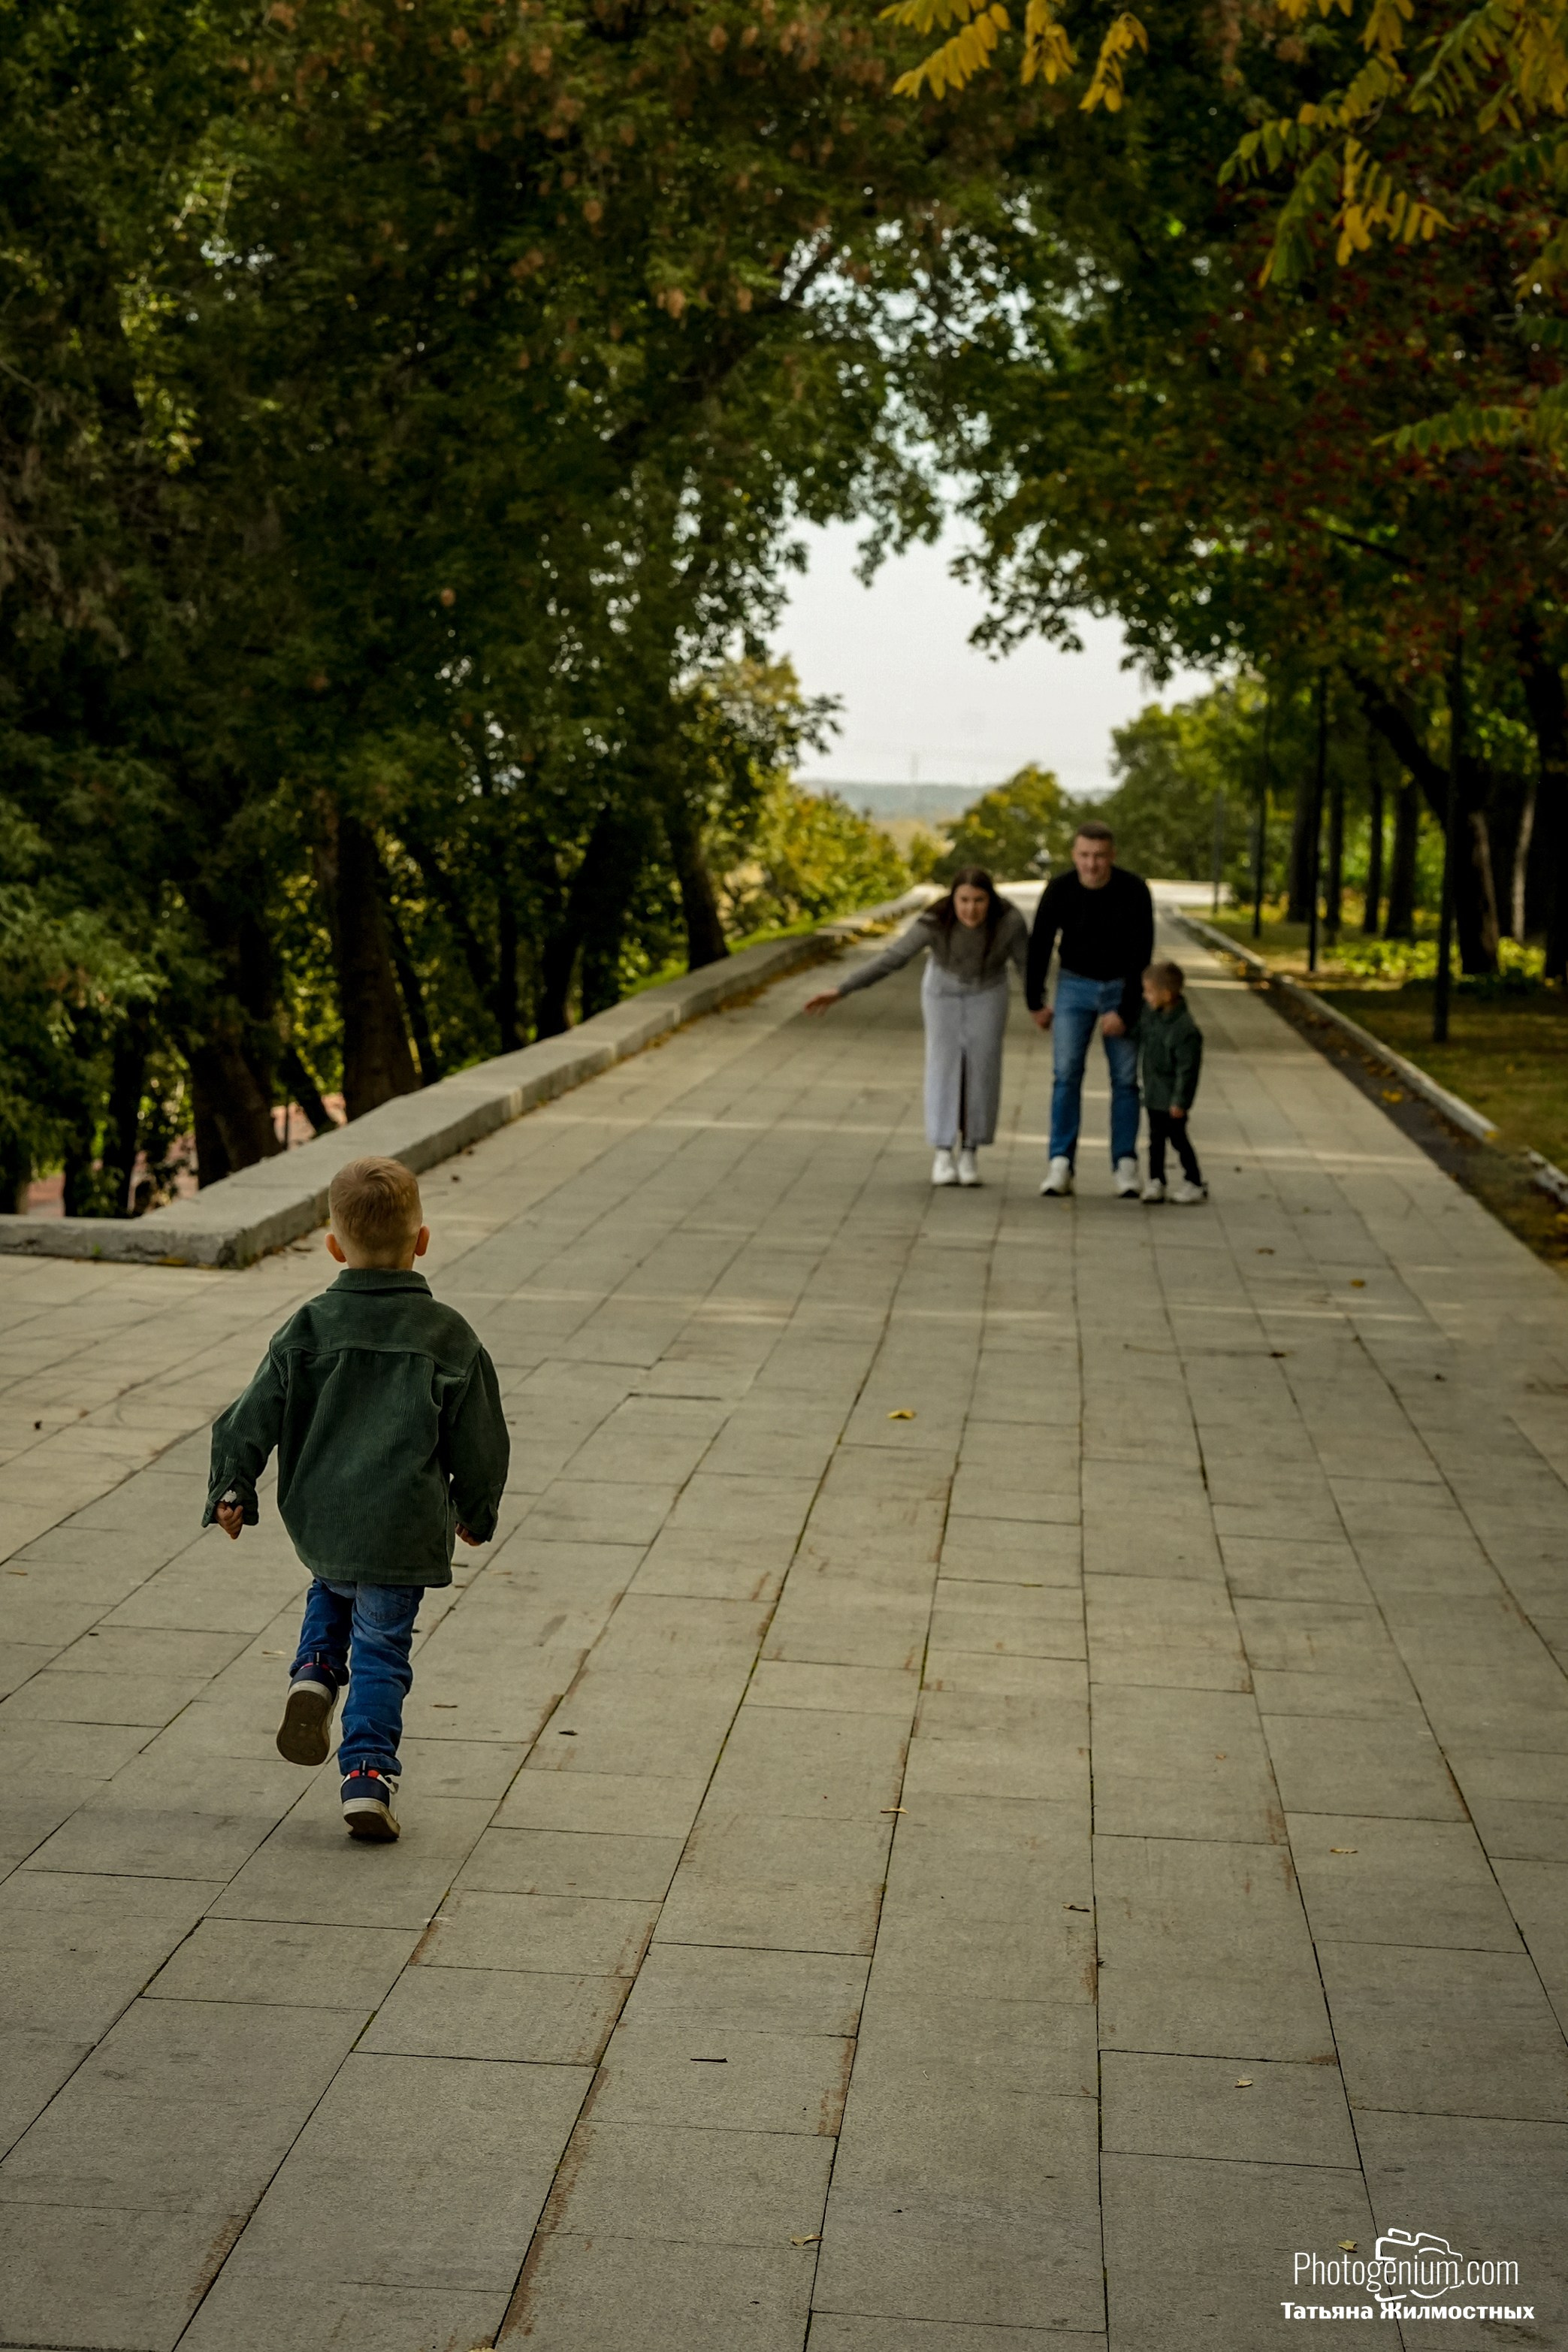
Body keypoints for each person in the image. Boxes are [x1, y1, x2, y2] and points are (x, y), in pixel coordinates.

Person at [204, 1155, 509, 1843]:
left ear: (334, 1246)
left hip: (324, 1519)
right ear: (421, 1241)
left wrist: (232, 1484)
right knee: (381, 1650)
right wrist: (474, 1509)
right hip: (400, 1530)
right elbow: (482, 1438)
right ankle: (367, 1773)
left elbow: (251, 1413)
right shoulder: (448, 1336)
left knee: (331, 1585)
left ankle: (312, 1672)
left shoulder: (307, 1327)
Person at [805, 866, 1029, 1187]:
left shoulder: (1010, 921)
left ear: (990, 900)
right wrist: (843, 989)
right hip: (943, 990)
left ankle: (970, 1151)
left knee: (983, 1066)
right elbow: (893, 957)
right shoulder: (935, 920)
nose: (971, 909)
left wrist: (1041, 1005)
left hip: (988, 990)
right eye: (963, 900)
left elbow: (1027, 964)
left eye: (979, 901)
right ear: (953, 899)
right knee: (944, 1065)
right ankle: (942, 1152)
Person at [1026, 821, 1154, 1199]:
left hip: (1121, 985)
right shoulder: (1060, 890)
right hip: (1074, 985)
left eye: (1099, 856)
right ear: (1074, 855)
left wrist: (1128, 1011)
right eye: (1084, 856)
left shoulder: (1133, 890)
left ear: (1112, 856)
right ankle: (1060, 1162)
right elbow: (1040, 946)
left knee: (1126, 1079)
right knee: (1066, 1075)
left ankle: (1125, 1163)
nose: (1092, 864)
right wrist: (1036, 1001)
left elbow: (1141, 953)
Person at [1138, 959, 1207, 1203]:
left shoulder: (1184, 1030)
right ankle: (1156, 1179)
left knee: (1178, 1139)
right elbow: (1140, 1031)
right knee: (1155, 1140)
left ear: (1166, 995)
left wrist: (1180, 1100)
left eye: (1149, 992)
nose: (1146, 997)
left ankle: (1194, 1180)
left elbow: (1187, 1070)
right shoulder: (1153, 1018)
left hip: (1172, 1098)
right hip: (1155, 1094)